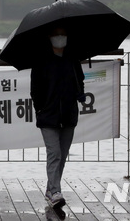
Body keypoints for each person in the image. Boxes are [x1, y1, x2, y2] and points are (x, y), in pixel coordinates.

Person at [30, 26, 85, 208]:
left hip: (69, 114)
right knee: (54, 153)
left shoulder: (72, 58)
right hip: (48, 116)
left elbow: (80, 80)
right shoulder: (41, 60)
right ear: (50, 37)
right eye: (56, 34)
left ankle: (51, 188)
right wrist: (41, 109)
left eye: (63, 34)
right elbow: (35, 89)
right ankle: (55, 192)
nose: (60, 37)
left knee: (62, 155)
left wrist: (80, 94)